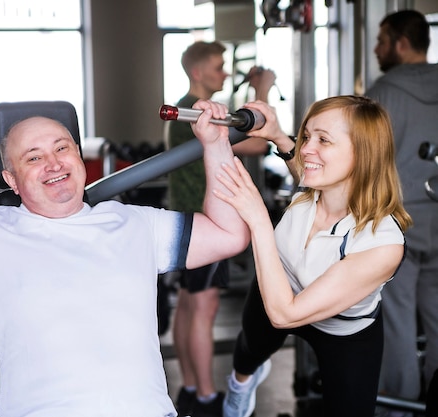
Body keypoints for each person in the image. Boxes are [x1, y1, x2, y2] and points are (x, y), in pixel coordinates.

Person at [0, 100, 252, 417]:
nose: (53, 163)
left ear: (79, 157)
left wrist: (216, 144)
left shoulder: (134, 223)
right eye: (32, 157)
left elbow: (228, 234)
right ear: (10, 179)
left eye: (62, 148)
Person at [213, 95, 411, 417]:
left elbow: (285, 315)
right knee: (249, 350)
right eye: (307, 136)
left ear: (363, 154)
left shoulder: (383, 244)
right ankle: (241, 383)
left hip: (342, 332)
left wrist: (259, 219)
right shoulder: (312, 186)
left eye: (323, 140)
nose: (305, 149)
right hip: (280, 288)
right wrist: (277, 135)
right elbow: (300, 164)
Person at [166, 40, 275, 417]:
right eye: (218, 66)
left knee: (189, 306)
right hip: (206, 223)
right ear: (198, 72)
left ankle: (192, 388)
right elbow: (259, 145)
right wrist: (261, 92)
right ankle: (209, 399)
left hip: (188, 220)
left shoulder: (187, 110)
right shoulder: (197, 115)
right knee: (204, 308)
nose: (224, 72)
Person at [364, 10, 438, 414]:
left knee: (396, 323)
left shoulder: (383, 93)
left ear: (402, 44)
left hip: (400, 225)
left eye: (382, 40)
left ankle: (399, 409)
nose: (377, 49)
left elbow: (365, 162)